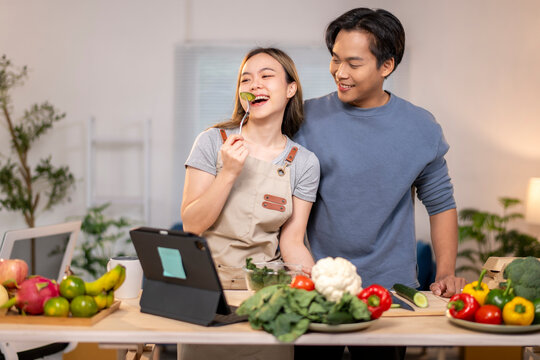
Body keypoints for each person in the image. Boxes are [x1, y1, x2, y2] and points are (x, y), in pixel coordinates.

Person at [293, 8, 465, 360]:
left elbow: (441, 204)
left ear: (386, 66)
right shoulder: (304, 119)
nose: (340, 73)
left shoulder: (420, 127)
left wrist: (446, 272)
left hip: (387, 292)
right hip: (315, 287)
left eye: (353, 64)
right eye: (335, 60)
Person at [182, 47, 319, 290]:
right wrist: (229, 172)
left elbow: (292, 243)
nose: (254, 85)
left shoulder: (304, 162)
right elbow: (192, 226)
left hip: (265, 287)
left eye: (266, 76)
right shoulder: (212, 141)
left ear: (291, 89)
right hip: (205, 284)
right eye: (246, 79)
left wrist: (319, 288)